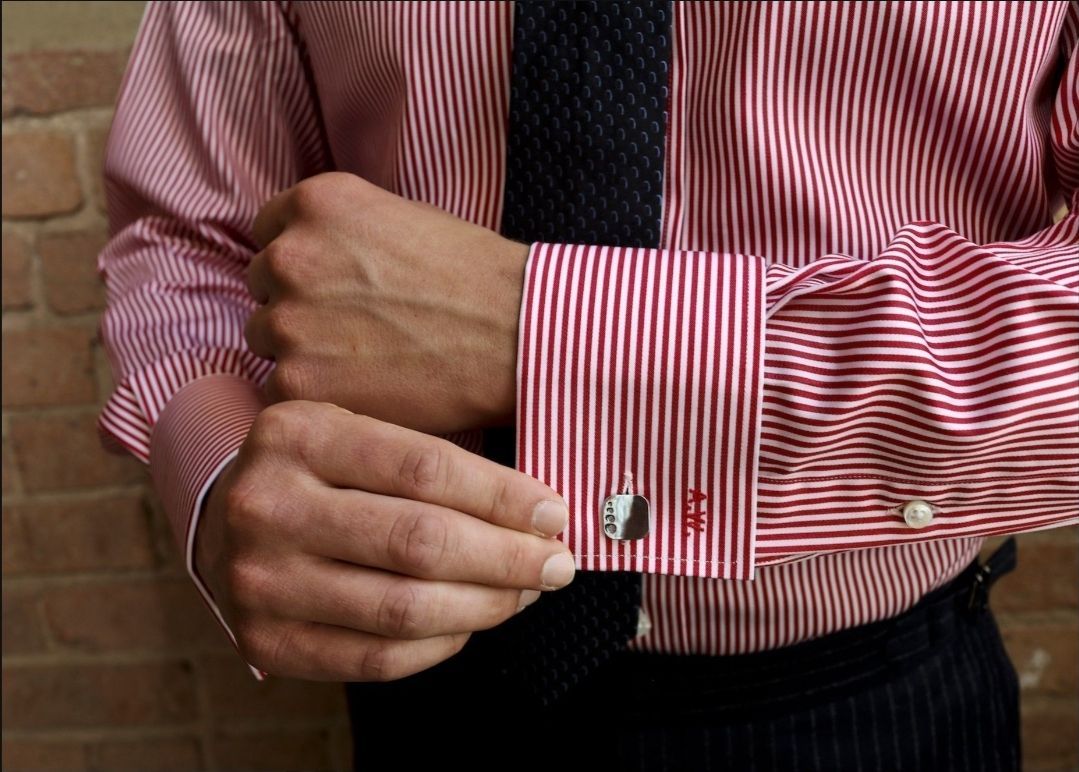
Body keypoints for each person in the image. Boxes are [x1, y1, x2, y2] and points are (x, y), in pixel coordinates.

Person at [97, 1, 1078, 769]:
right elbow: (188, 237)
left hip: (868, 698)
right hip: (412, 661)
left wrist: (538, 333)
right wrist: (223, 474)